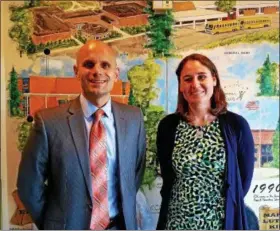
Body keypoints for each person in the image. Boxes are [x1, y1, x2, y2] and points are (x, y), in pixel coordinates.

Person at [17, 40, 146, 230]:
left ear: (116, 74)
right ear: (76, 71)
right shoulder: (49, 122)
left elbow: (134, 175)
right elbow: (29, 186)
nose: (97, 71)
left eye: (105, 65)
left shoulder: (134, 118)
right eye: (88, 64)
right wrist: (52, 222)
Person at [156, 53, 254, 230]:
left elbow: (242, 183)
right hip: (176, 223)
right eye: (187, 79)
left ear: (214, 80)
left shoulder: (236, 126)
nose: (195, 84)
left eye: (201, 77)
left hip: (221, 223)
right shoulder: (168, 126)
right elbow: (168, 178)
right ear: (180, 85)